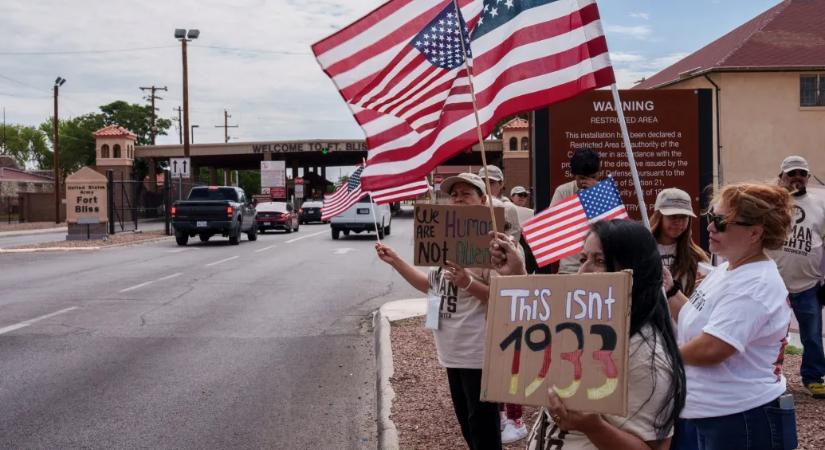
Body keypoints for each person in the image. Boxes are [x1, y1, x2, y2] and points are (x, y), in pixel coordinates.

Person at [490, 219, 687, 450]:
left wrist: (593, 427)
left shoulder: (644, 358)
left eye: (600, 261)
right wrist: (516, 275)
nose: (583, 272)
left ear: (635, 271)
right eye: (583, 259)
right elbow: (543, 326)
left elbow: (654, 447)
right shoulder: (586, 324)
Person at [375, 172, 501, 450]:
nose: (457, 198)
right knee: (468, 423)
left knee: (483, 425)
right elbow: (430, 286)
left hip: (478, 352)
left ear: (483, 200)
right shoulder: (445, 241)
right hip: (451, 351)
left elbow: (502, 298)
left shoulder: (494, 245)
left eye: (466, 193)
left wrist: (467, 280)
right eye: (454, 194)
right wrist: (395, 261)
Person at [666, 182, 795, 449]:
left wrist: (658, 358)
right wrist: (669, 291)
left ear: (755, 233)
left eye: (721, 221)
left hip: (740, 419)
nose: (710, 226)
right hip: (713, 414)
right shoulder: (729, 269)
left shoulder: (755, 284)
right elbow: (697, 317)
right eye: (711, 217)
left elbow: (713, 348)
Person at [478, 165, 528, 443]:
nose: (489, 185)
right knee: (493, 362)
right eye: (485, 181)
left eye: (492, 182)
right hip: (486, 304)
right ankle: (499, 412)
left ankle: (516, 417)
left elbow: (515, 247)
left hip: (509, 298)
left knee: (511, 362)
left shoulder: (507, 210)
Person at [769, 155, 825, 398]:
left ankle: (813, 377)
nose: (797, 178)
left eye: (801, 173)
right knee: (769, 334)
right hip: (772, 283)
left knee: (811, 335)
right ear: (781, 177)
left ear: (808, 177)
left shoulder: (820, 205)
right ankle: (766, 379)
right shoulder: (769, 204)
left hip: (808, 284)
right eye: (791, 174)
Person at [651, 188, 710, 298]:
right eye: (672, 216)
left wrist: (705, 286)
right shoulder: (642, 251)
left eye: (684, 217)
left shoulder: (697, 257)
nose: (678, 222)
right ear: (658, 216)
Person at [551, 148, 602, 274]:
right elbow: (553, 225)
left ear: (599, 173)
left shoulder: (606, 194)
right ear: (574, 175)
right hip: (570, 268)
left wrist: (597, 195)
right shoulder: (563, 192)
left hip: (600, 268)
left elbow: (614, 229)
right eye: (582, 178)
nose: (587, 182)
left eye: (593, 177)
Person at [478, 165, 522, 242]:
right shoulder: (475, 204)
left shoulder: (508, 207)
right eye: (483, 182)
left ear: (501, 184)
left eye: (491, 182)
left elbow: (513, 239)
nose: (486, 186)